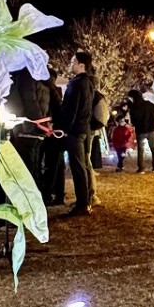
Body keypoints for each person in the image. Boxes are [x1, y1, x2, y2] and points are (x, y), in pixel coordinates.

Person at [60, 51, 96, 215]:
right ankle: (85, 199)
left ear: (81, 65)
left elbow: (71, 109)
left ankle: (82, 204)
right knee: (82, 165)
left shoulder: (76, 84)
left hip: (75, 130)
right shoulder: (88, 83)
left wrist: (65, 128)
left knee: (78, 167)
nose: (71, 64)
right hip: (84, 128)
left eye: (73, 61)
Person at [39, 68, 66, 205]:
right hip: (54, 132)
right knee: (56, 164)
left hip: (50, 131)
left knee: (51, 164)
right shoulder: (56, 90)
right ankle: (57, 194)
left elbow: (56, 108)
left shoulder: (48, 89)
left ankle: (49, 194)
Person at [127, 88, 154, 174]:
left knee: (140, 150)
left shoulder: (133, 107)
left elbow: (133, 121)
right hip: (151, 129)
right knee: (153, 149)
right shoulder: (149, 104)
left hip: (140, 131)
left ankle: (141, 168)